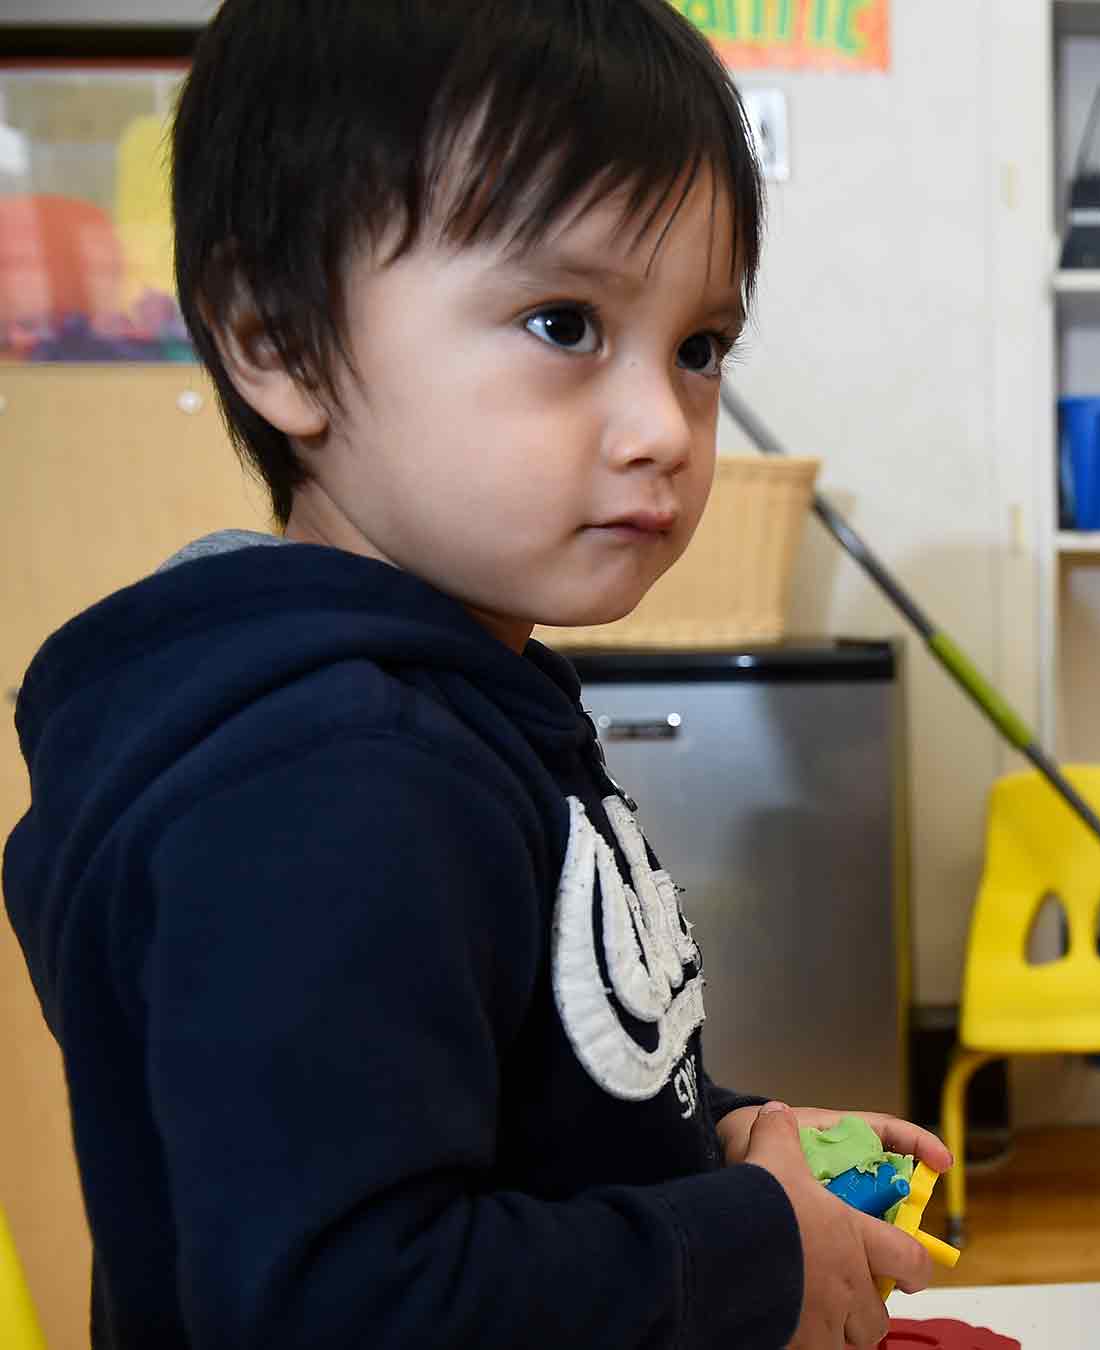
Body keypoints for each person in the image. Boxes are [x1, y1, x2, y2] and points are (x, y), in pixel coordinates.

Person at [2, 3, 943, 1345]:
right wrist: (749, 1249)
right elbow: (339, 1303)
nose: (662, 429)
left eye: (699, 347)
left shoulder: (469, 689)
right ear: (273, 338)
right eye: (565, 322)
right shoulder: (324, 777)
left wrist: (727, 1140)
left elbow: (518, 1091)